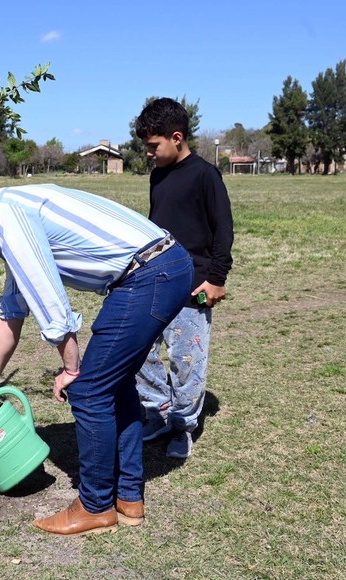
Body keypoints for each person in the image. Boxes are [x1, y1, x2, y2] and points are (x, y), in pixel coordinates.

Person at [0, 184, 193, 535]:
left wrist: (72, 369)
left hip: (149, 275)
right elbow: (12, 313)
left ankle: (95, 506)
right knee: (113, 384)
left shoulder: (4, 218)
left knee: (89, 390)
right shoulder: (2, 212)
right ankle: (128, 498)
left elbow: (49, 302)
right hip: (162, 267)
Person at [133, 97, 235, 459]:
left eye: (153, 146)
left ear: (177, 137)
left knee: (186, 361)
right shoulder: (158, 174)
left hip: (195, 284)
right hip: (157, 279)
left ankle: (182, 426)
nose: (149, 153)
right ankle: (158, 412)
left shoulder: (206, 175)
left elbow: (223, 230)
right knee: (140, 350)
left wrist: (217, 278)